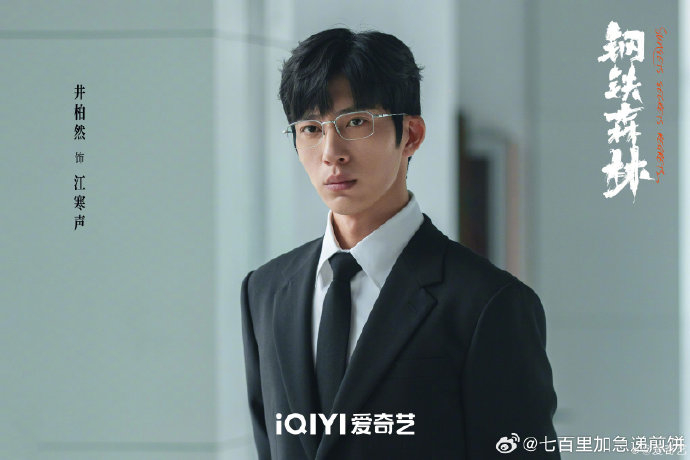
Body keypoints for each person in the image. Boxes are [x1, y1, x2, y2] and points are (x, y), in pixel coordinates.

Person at [240, 27, 560, 459]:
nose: (331, 152)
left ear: (410, 134)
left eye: (356, 122)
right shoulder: (264, 291)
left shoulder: (488, 305)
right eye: (311, 128)